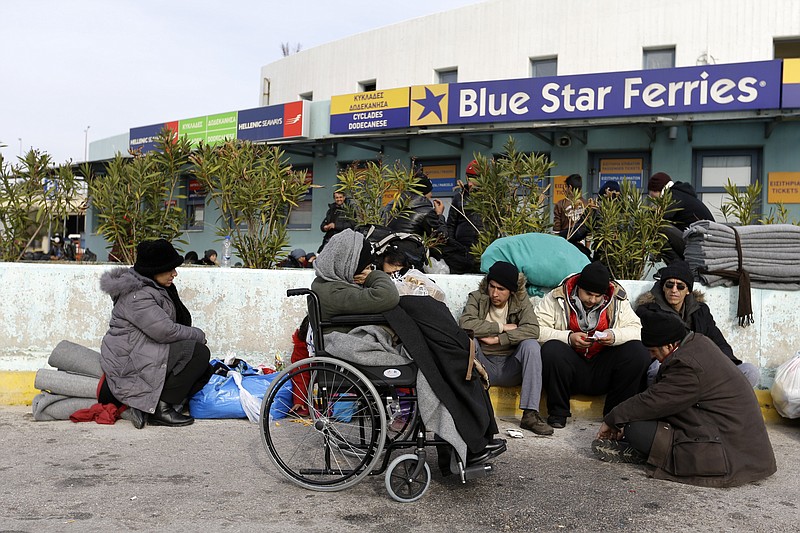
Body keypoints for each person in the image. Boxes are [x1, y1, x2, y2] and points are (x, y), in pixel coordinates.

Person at [311, 229, 505, 466]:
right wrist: (373, 276)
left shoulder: (331, 284)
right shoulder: (332, 291)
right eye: (362, 267)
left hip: (372, 336)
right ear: (346, 263)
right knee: (435, 363)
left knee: (434, 332)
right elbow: (387, 297)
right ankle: (469, 438)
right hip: (358, 346)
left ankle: (472, 435)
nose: (364, 272)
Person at [591, 309, 776, 488]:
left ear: (670, 345)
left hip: (730, 453)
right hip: (740, 444)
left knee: (635, 429)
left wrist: (614, 418)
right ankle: (650, 451)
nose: (651, 356)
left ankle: (652, 454)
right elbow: (662, 399)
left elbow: (654, 401)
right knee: (641, 420)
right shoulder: (697, 342)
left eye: (653, 351)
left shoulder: (687, 366)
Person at [98, 239, 212, 428]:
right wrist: (198, 334)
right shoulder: (137, 295)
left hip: (142, 351)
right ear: (154, 269)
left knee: (204, 369)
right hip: (129, 362)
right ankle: (160, 409)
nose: (175, 273)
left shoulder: (153, 288)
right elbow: (165, 331)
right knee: (198, 353)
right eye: (170, 269)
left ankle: (154, 403)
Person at [535, 261, 651, 429]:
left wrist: (614, 335)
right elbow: (535, 329)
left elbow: (637, 330)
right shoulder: (557, 296)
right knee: (552, 349)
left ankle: (615, 415)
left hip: (603, 367)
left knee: (637, 352)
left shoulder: (617, 298)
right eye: (588, 294)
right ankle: (558, 413)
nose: (592, 300)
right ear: (578, 288)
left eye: (598, 296)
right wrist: (568, 338)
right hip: (570, 368)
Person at [458, 261, 552, 435]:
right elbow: (465, 323)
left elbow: (533, 329)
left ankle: (530, 414)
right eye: (492, 287)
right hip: (483, 366)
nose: (494, 293)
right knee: (469, 341)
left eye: (501, 289)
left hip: (511, 365)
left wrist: (499, 339)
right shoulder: (477, 297)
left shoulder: (521, 301)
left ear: (511, 291)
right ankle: (473, 412)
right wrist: (501, 327)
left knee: (531, 346)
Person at [636, 260, 760, 387]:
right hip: (673, 367)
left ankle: (717, 404)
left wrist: (728, 364)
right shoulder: (648, 310)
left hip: (703, 365)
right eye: (669, 285)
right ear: (663, 287)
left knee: (749, 371)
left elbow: (718, 340)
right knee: (655, 370)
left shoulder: (701, 310)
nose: (674, 290)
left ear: (688, 290)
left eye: (680, 286)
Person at [647, 172, 715, 262]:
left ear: (657, 190)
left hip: (700, 247)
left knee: (657, 225)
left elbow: (660, 218)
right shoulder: (681, 194)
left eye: (653, 197)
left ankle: (676, 266)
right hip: (703, 245)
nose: (653, 201)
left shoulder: (674, 196)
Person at [444, 159, 483, 273]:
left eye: (474, 179)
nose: (470, 183)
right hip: (461, 251)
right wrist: (452, 247)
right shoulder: (459, 197)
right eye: (468, 178)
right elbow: (450, 225)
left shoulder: (492, 198)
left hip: (482, 250)